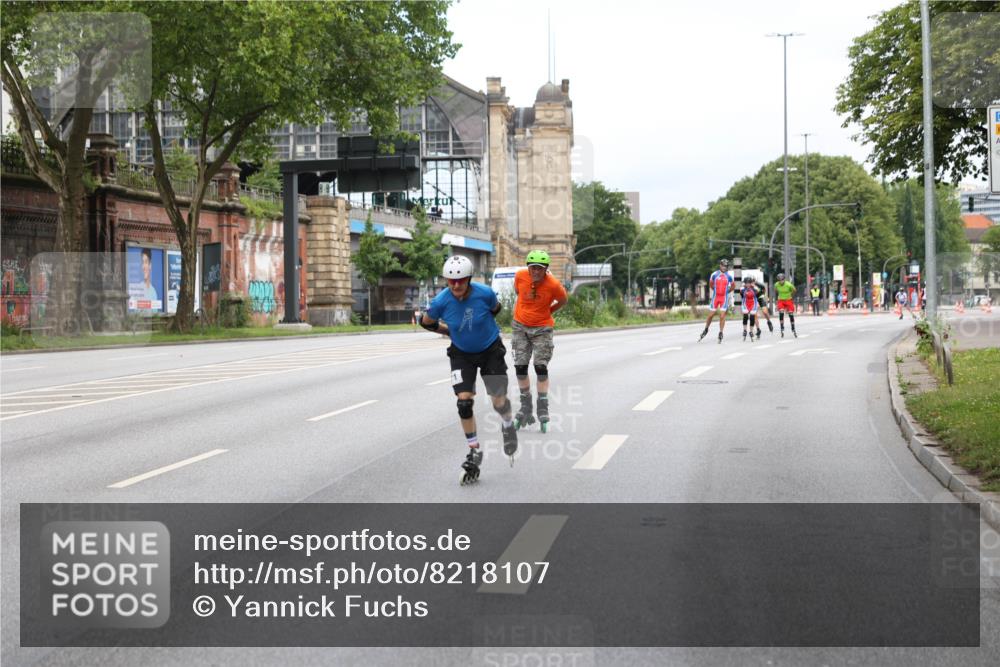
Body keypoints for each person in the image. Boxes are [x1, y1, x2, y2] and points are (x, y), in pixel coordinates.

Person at [421, 256, 518, 485]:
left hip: (490, 350)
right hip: (462, 354)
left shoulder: (484, 293)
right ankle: (474, 450)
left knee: (498, 402)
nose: (456, 286)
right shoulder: (440, 302)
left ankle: (507, 425)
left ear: (469, 279)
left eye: (461, 281)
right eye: (451, 281)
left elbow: (495, 309)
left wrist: (478, 327)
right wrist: (448, 331)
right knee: (464, 402)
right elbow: (426, 322)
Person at [511, 250, 568, 433]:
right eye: (532, 268)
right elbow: (517, 291)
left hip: (542, 328)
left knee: (540, 367)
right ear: (528, 267)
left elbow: (563, 300)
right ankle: (525, 405)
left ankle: (542, 407)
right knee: (520, 367)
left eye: (540, 269)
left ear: (546, 270)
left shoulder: (554, 285)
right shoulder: (520, 276)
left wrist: (549, 312)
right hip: (520, 326)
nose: (536, 271)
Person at [698, 259, 733, 344]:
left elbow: (733, 286)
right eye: (723, 266)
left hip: (724, 298)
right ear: (720, 265)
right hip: (716, 297)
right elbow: (711, 284)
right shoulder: (714, 274)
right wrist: (715, 290)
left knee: (722, 316)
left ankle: (721, 332)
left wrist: (727, 292)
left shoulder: (729, 276)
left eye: (726, 266)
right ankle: (706, 329)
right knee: (711, 315)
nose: (724, 267)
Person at [774, 272, 797, 338]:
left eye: (782, 280)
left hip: (788, 300)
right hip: (781, 300)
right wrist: (778, 297)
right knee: (781, 312)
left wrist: (790, 294)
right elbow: (775, 290)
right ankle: (782, 327)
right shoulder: (776, 284)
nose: (781, 282)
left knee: (790, 314)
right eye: (779, 280)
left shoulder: (789, 285)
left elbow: (794, 290)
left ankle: (793, 327)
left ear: (784, 279)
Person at [740, 276, 760, 342]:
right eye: (746, 283)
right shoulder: (742, 288)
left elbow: (758, 293)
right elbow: (742, 295)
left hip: (753, 303)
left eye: (749, 283)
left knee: (752, 317)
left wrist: (753, 286)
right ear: (744, 283)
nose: (747, 284)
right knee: (745, 316)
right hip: (745, 303)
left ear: (751, 283)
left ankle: (751, 331)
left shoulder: (755, 288)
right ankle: (745, 330)